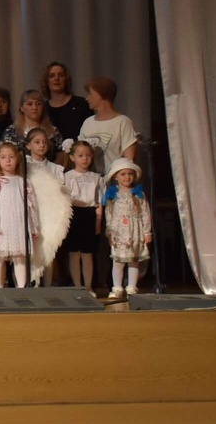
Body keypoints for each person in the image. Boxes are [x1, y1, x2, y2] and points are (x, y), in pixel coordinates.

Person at [0, 142, 40, 289]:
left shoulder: (24, 182)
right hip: (1, 223)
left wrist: (33, 226)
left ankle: (22, 288)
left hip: (18, 222)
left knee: (19, 256)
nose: (8, 160)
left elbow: (31, 205)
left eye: (11, 157)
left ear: (17, 159)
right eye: (3, 157)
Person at [102, 158, 152, 298]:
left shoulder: (138, 194)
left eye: (130, 174)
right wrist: (109, 232)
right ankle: (117, 287)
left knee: (133, 260)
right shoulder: (112, 195)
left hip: (134, 232)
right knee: (118, 261)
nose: (127, 177)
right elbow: (109, 215)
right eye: (123, 174)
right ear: (116, 177)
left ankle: (131, 287)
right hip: (119, 232)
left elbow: (145, 213)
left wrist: (147, 232)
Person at [62, 140, 104, 295]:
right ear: (72, 157)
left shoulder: (96, 178)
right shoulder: (67, 177)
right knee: (74, 253)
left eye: (88, 155)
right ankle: (77, 286)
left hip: (90, 215)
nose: (85, 159)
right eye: (80, 155)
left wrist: (98, 222)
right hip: (73, 214)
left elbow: (99, 202)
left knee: (88, 253)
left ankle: (88, 286)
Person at [78, 77, 139, 175]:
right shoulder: (88, 122)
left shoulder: (123, 122)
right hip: (90, 181)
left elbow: (129, 162)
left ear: (101, 95)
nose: (87, 98)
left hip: (114, 181)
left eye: (90, 94)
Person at [42, 62, 93, 144]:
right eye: (52, 76)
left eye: (61, 75)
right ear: (46, 81)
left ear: (66, 80)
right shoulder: (43, 108)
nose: (56, 78)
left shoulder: (81, 104)